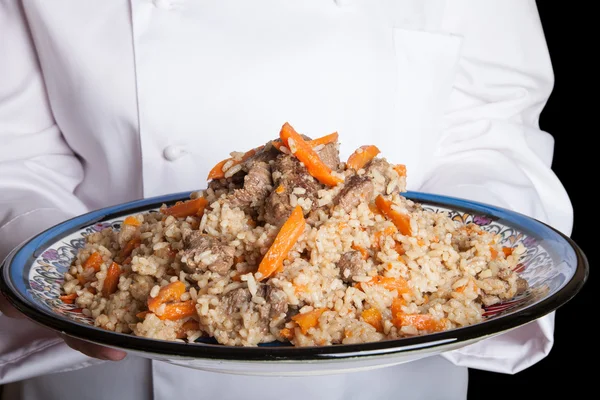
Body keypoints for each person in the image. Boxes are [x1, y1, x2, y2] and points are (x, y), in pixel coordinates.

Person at [0, 0, 573, 399]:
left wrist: (460, 270)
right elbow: (14, 153)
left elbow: (491, 123)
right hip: (113, 374)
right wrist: (39, 274)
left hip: (392, 370)